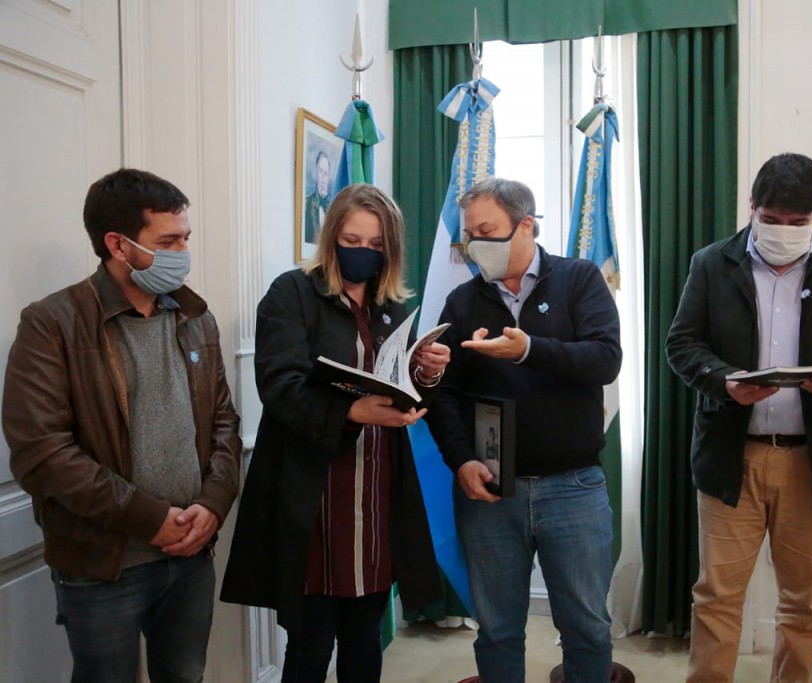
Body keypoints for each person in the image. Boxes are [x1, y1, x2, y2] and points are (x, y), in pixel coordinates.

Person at [1, 168, 242, 682]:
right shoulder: (52, 323)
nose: (183, 253)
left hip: (192, 551)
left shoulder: (195, 317)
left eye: (186, 238)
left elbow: (224, 421)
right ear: (118, 245)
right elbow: (42, 453)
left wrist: (213, 504)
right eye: (168, 242)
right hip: (103, 563)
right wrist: (148, 518)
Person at [665, 153, 812, 682]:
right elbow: (682, 344)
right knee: (717, 596)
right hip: (732, 455)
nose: (783, 231)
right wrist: (724, 381)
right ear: (752, 206)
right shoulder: (711, 263)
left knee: (806, 601)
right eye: (771, 219)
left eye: (797, 222)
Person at [220, 183, 446, 683]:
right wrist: (352, 411)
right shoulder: (291, 293)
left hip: (376, 491)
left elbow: (405, 393)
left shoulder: (389, 304)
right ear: (330, 238)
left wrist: (426, 373)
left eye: (375, 244)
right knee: (311, 640)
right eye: (351, 240)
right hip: (315, 493)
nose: (363, 252)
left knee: (365, 634)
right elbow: (279, 387)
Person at [426, 177, 623, 683]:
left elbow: (605, 359)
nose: (476, 245)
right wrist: (460, 460)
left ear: (526, 226)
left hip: (573, 486)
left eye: (487, 231)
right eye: (470, 235)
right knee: (496, 629)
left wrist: (529, 350)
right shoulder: (462, 301)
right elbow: (444, 394)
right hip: (491, 490)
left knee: (586, 628)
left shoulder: (579, 280)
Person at [305, 150, 332, 243]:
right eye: (320, 171)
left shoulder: (334, 210)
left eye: (325, 173)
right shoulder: (306, 204)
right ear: (316, 172)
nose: (323, 178)